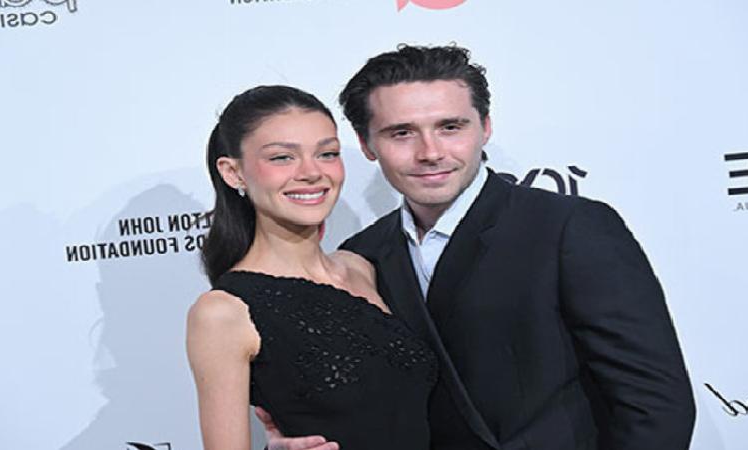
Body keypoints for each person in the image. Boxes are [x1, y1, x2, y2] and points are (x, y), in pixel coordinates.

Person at [260, 45, 696, 449]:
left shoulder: (568, 228)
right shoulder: (362, 256)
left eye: (450, 127)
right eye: (401, 133)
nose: (430, 152)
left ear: (485, 127)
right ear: (367, 145)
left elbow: (655, 403)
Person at [186, 85, 438, 450]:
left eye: (327, 153)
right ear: (233, 172)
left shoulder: (363, 267)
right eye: (282, 158)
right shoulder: (223, 313)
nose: (311, 172)